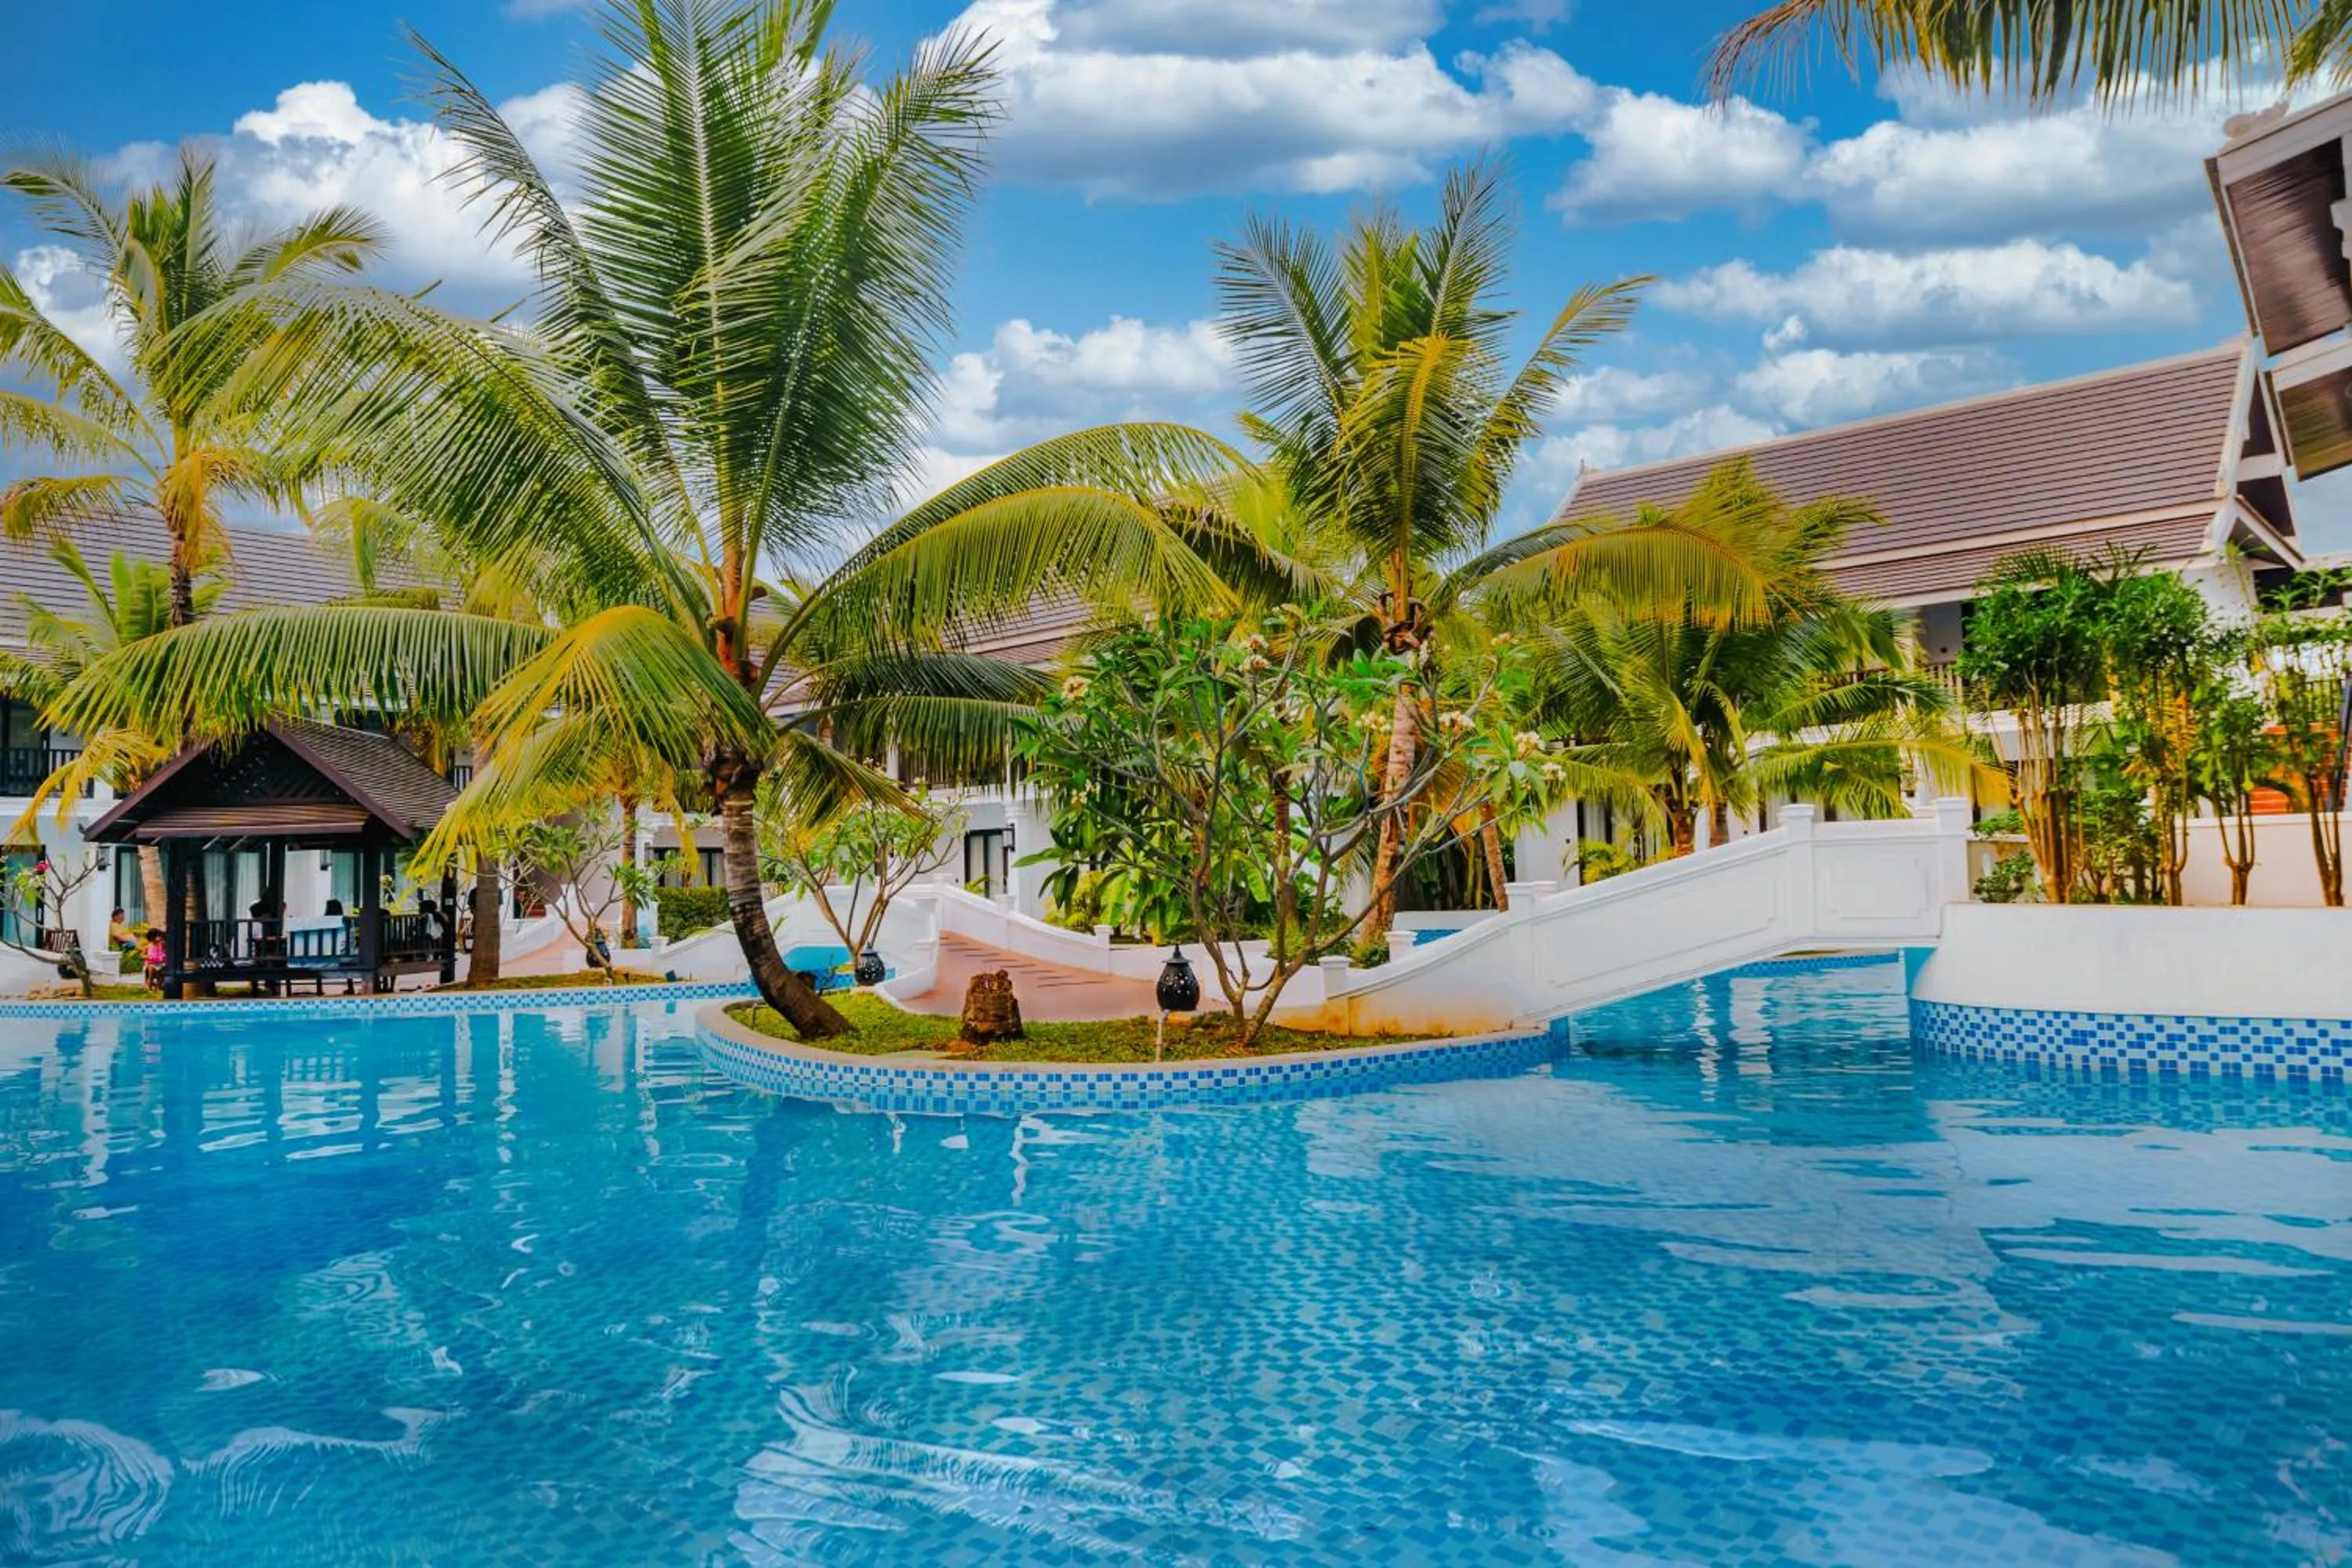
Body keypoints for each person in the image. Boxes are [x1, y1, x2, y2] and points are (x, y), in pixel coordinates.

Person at [141, 929, 165, 993]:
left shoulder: (161, 944)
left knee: (161, 976)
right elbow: (142, 955)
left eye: (160, 936)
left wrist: (164, 956)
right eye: (158, 936)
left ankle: (158, 988)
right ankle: (149, 988)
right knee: (151, 976)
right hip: (151, 964)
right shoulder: (148, 946)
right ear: (151, 938)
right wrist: (148, 957)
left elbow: (165, 951)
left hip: (160, 963)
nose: (160, 938)